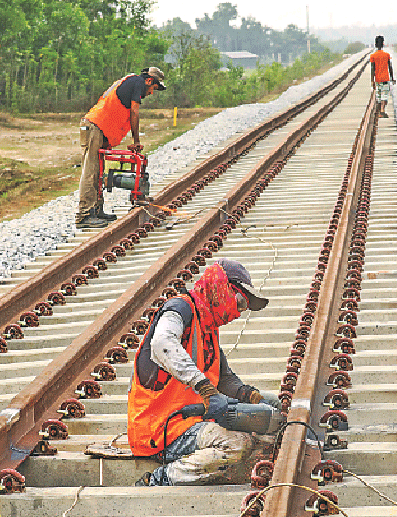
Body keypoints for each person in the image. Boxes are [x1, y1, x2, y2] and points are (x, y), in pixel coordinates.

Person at [127, 258, 280, 486]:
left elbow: (225, 379)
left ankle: (212, 467)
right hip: (162, 428)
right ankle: (160, 479)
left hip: (191, 419)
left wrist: (253, 397)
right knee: (238, 443)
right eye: (239, 303)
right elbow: (162, 344)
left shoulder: (208, 327)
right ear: (221, 289)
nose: (238, 313)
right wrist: (205, 389)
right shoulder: (180, 310)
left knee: (266, 429)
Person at [77, 67, 166, 228]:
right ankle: (84, 216)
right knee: (90, 171)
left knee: (97, 170)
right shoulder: (138, 83)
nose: (152, 93)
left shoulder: (131, 81)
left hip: (99, 128)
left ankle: (96, 210)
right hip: (94, 126)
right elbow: (134, 112)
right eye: (153, 88)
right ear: (149, 81)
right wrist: (136, 140)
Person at [369, 35, 395, 117]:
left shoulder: (373, 56)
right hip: (385, 78)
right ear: (383, 44)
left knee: (379, 95)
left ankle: (380, 111)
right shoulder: (386, 55)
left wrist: (372, 80)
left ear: (375, 44)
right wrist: (392, 78)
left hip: (377, 79)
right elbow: (390, 67)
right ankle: (382, 110)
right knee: (385, 95)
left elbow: (372, 69)